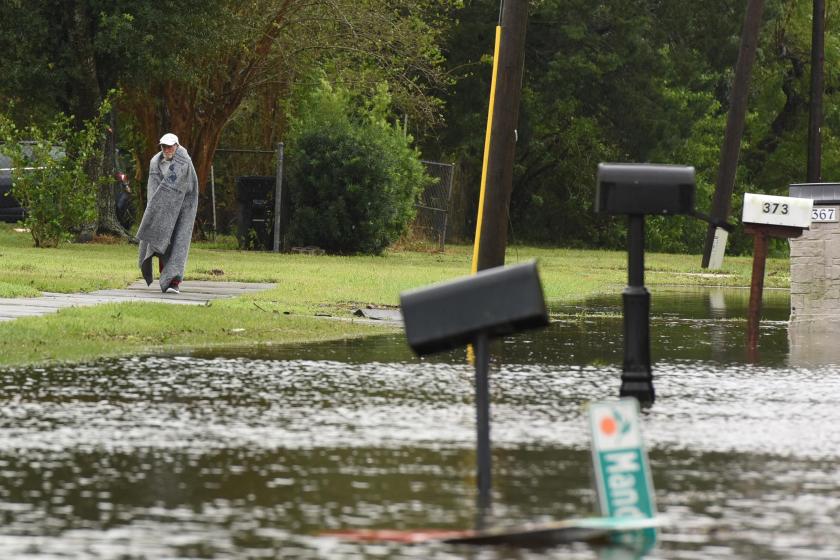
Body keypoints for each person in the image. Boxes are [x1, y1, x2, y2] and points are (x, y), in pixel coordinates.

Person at [136, 133, 199, 294]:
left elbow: (191, 188)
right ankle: (167, 279)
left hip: (182, 211)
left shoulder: (185, 162)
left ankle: (174, 281)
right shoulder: (155, 163)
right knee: (161, 243)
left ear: (177, 146)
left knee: (178, 244)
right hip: (162, 210)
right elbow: (153, 189)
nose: (167, 149)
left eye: (170, 146)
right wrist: (155, 209)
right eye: (164, 146)